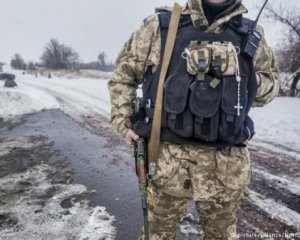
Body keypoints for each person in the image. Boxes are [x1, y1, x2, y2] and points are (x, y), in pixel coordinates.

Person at [108, 0, 279, 239]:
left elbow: (270, 89)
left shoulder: (250, 34)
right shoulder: (161, 27)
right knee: (156, 236)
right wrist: (124, 122)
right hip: (167, 165)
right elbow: (123, 77)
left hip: (225, 170)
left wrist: (241, 72)